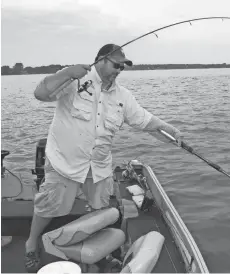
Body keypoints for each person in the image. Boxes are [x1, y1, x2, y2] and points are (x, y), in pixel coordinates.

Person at [25, 44, 183, 272]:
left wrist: (171, 132)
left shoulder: (123, 96)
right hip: (63, 163)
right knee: (48, 207)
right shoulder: (74, 80)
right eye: (115, 64)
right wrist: (67, 72)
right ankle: (31, 243)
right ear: (100, 60)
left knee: (102, 213)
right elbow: (41, 94)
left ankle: (102, 253)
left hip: (98, 167)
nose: (119, 70)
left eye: (122, 67)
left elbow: (145, 121)